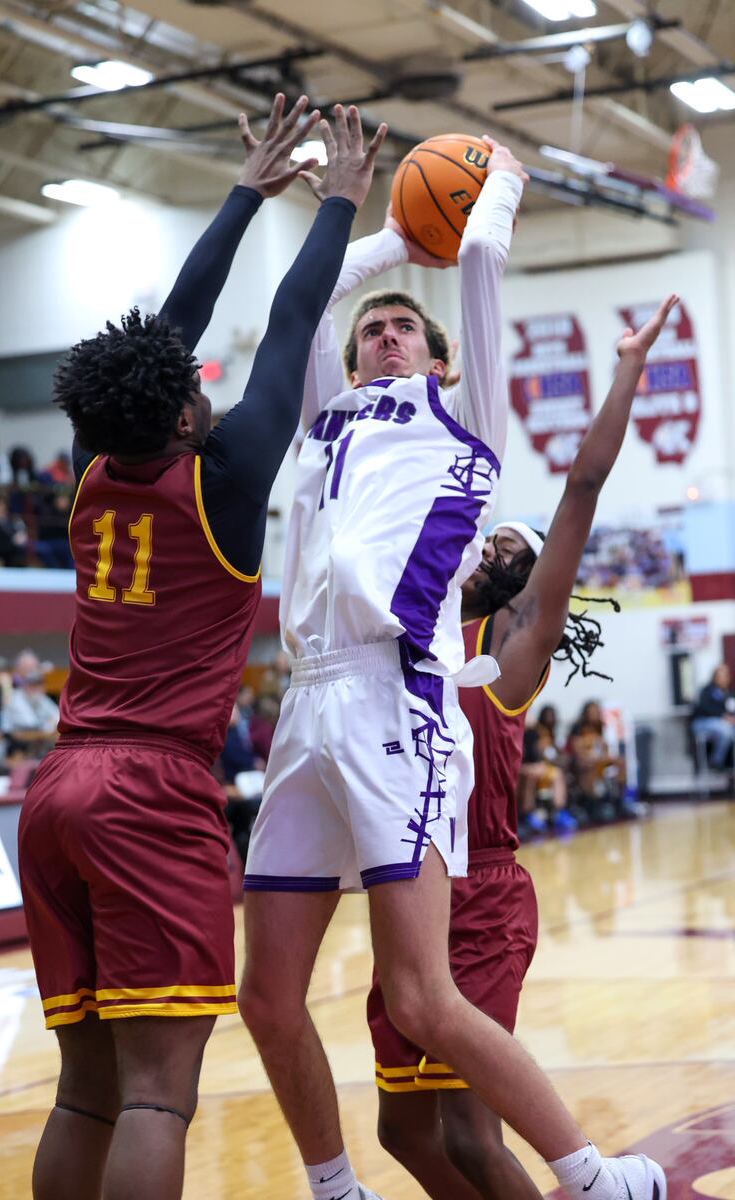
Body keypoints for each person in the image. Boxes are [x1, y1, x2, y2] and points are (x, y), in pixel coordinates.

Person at [237, 116, 671, 1199]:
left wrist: (501, 180)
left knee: (422, 997)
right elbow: (295, 315)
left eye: (401, 331)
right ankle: (334, 1189)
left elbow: (477, 255)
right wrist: (383, 242)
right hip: (306, 702)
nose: (383, 335)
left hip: (396, 701)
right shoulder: (321, 427)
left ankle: (588, 1175)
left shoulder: (465, 420)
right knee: (264, 997)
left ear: (438, 358)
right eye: (371, 331)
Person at [15, 95, 384, 1200]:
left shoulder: (91, 465)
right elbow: (288, 325)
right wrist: (339, 203)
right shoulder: (219, 487)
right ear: (179, 419)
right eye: (195, 389)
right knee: (154, 1095)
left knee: (83, 1089)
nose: (205, 387)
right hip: (150, 790)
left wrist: (245, 196)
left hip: (55, 791)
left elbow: (170, 326)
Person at [365, 294, 677, 1200]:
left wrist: (623, 371)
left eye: (510, 545)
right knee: (400, 1129)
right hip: (405, 887)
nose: (492, 545)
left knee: (468, 1130)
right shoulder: (412, 631)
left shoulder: (510, 654)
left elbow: (581, 486)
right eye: (489, 536)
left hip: (483, 893)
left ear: (530, 578)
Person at [691, 664, 735, 771]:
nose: (724, 678)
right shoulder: (707, 691)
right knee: (725, 730)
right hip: (702, 722)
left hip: (724, 724)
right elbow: (705, 707)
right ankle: (716, 761)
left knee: (729, 730)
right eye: (721, 675)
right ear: (715, 677)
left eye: (725, 675)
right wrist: (723, 717)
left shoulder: (729, 693)